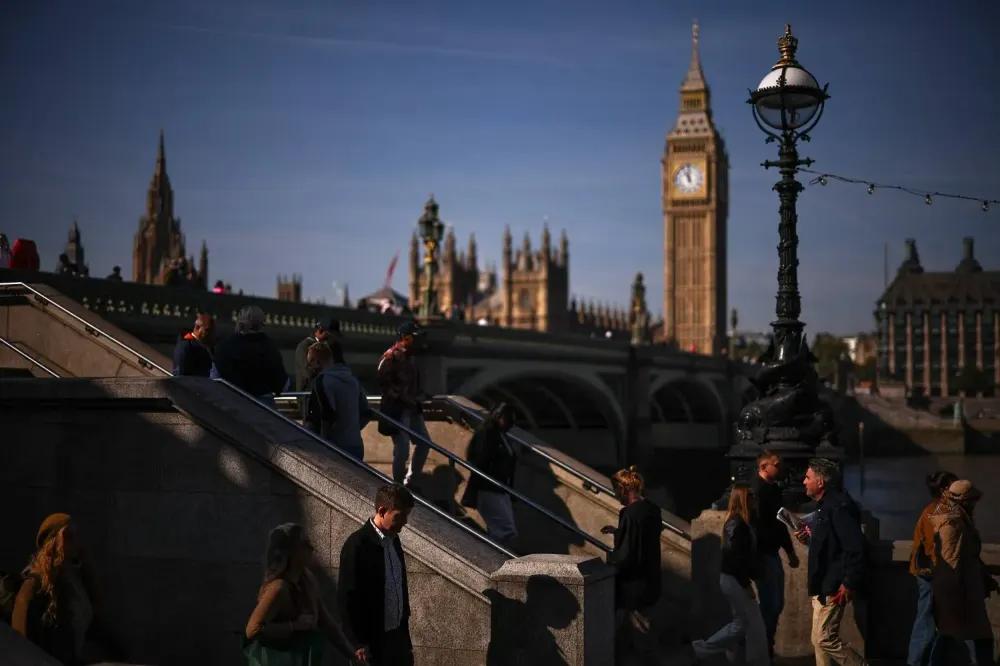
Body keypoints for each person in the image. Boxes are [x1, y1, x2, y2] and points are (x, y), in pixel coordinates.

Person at [244, 523, 366, 665]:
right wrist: (293, 626)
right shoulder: (279, 588)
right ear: (291, 550)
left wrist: (353, 655)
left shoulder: (307, 580)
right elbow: (252, 630)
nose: (312, 548)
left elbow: (327, 623)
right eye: (306, 543)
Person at [12, 513, 122, 665]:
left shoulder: (78, 577)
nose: (77, 542)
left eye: (77, 535)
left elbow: (91, 625)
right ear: (55, 541)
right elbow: (23, 643)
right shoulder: (34, 586)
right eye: (69, 536)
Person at [794, 458, 869, 666]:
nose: (803, 482)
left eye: (808, 478)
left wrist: (849, 582)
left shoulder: (838, 507)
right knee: (818, 641)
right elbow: (829, 543)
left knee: (825, 638)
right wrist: (807, 538)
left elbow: (856, 547)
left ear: (820, 482)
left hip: (833, 584)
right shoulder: (826, 506)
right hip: (822, 582)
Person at [691, 483, 768, 666]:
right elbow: (734, 557)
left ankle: (727, 655)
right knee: (751, 624)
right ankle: (705, 649)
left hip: (734, 578)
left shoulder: (741, 522)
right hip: (734, 580)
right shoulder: (736, 523)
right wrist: (746, 584)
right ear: (744, 499)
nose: (756, 499)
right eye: (751, 496)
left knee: (742, 623)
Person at [339, 483, 416, 666]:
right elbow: (346, 598)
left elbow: (400, 590)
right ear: (382, 511)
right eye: (400, 515)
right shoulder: (357, 545)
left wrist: (405, 641)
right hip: (371, 646)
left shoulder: (394, 540)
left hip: (397, 640)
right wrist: (357, 643)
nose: (405, 521)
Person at [928, 480, 998, 666]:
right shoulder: (952, 524)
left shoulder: (959, 518)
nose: (976, 504)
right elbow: (950, 562)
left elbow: (969, 556)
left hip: (965, 589)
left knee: (955, 636)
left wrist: (985, 577)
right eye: (973, 500)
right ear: (965, 501)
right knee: (954, 637)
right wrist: (953, 598)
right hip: (959, 592)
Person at [602, 466, 663, 665]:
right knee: (642, 632)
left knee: (638, 635)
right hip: (651, 579)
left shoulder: (628, 513)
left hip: (633, 584)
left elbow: (627, 552)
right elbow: (641, 539)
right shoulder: (652, 510)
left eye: (614, 489)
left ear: (622, 489)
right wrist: (618, 532)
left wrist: (612, 558)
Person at [907, 470, 967, 666]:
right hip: (932, 575)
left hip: (931, 573)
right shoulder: (937, 513)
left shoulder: (937, 510)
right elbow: (934, 549)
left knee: (932, 622)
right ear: (944, 490)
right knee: (926, 623)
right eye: (954, 486)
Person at [751, 450, 799, 660]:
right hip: (762, 554)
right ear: (764, 467)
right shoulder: (756, 491)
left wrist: (790, 551)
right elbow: (754, 526)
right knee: (770, 605)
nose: (780, 469)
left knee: (776, 604)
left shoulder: (772, 490)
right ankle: (763, 649)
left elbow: (780, 526)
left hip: (771, 553)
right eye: (776, 465)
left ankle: (764, 646)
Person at [377, 321, 430, 487]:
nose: (418, 340)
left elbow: (414, 382)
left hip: (413, 409)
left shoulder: (411, 356)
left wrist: (420, 396)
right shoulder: (391, 356)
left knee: (424, 443)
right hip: (398, 411)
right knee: (402, 450)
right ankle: (397, 485)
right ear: (404, 338)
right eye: (415, 337)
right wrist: (402, 397)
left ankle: (411, 480)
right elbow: (382, 383)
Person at [460, 402, 519, 547]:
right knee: (505, 530)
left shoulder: (502, 436)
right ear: (499, 417)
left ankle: (492, 554)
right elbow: (477, 459)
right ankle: (491, 555)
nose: (511, 425)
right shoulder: (486, 434)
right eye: (509, 420)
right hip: (488, 488)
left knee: (504, 529)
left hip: (501, 489)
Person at [303, 339, 370, 460]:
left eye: (309, 363)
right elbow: (367, 412)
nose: (309, 367)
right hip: (356, 445)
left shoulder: (321, 381)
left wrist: (324, 443)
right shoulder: (352, 379)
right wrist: (350, 428)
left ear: (316, 361)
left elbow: (327, 416)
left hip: (335, 447)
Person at [213, 305, 288, 408]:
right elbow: (282, 383)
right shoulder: (270, 347)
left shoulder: (225, 346)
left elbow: (215, 377)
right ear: (261, 324)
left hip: (234, 403)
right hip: (264, 405)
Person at [295, 318, 340, 392]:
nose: (333, 339)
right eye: (330, 335)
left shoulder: (328, 347)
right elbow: (306, 373)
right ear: (321, 331)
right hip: (307, 395)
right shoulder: (304, 346)